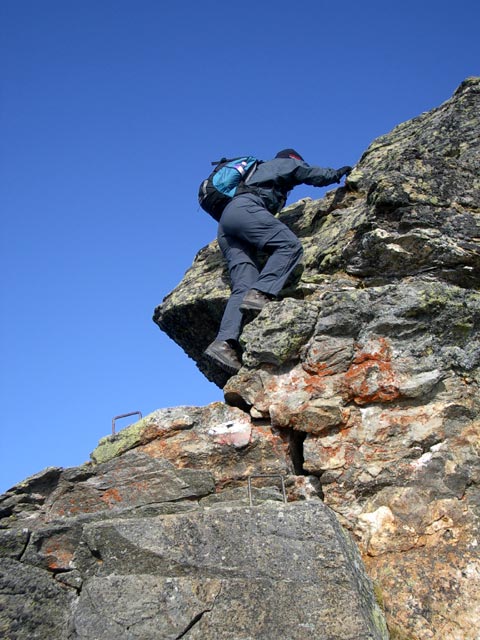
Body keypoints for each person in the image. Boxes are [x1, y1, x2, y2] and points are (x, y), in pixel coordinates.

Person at [204, 148, 352, 374]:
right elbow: (307, 172)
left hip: (226, 225)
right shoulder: (283, 163)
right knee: (289, 246)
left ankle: (223, 343)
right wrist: (336, 174)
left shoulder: (253, 176)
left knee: (243, 284)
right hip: (245, 210)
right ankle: (261, 293)